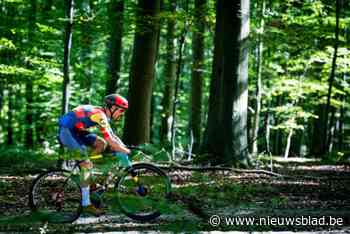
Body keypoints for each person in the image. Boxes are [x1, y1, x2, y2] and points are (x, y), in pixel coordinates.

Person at [58, 94, 131, 216]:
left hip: (77, 131)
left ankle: (88, 178)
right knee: (86, 164)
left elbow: (112, 137)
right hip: (67, 131)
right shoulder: (100, 115)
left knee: (100, 144)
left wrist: (123, 147)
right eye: (121, 110)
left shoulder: (102, 114)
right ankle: (86, 204)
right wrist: (124, 150)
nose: (122, 114)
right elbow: (111, 141)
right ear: (112, 107)